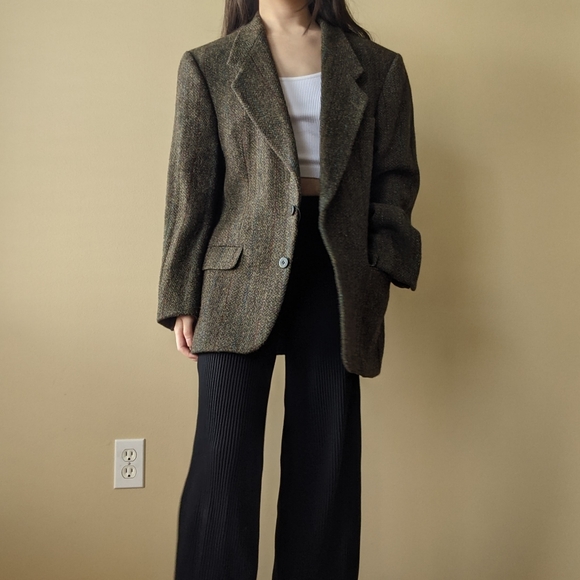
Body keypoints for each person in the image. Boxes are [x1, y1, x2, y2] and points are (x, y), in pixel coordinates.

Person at [157, 1, 422, 578]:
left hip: (336, 274)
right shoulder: (209, 65)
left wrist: (376, 268)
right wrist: (180, 295)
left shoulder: (378, 67)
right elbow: (190, 188)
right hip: (235, 277)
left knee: (324, 469)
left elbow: (395, 180)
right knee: (222, 468)